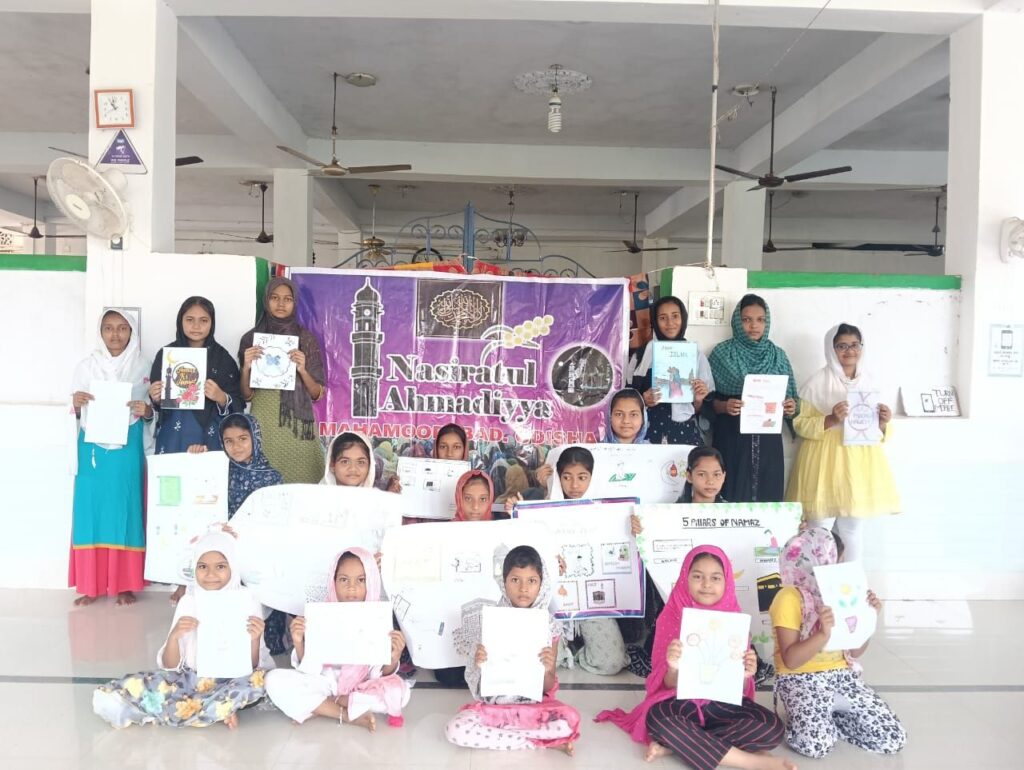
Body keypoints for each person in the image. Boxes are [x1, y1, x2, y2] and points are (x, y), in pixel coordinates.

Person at [595, 545, 791, 770]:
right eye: (698, 576)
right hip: (681, 702)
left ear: (726, 581)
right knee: (658, 719)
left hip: (721, 704)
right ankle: (750, 761)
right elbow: (665, 685)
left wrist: (746, 674)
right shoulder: (671, 616)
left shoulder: (733, 619)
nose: (706, 584)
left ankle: (675, 746)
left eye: (715, 578)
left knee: (772, 728)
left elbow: (738, 689)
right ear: (685, 578)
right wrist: (672, 667)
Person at [92, 530, 271, 728]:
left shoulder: (247, 601)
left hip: (234, 680)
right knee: (138, 686)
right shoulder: (189, 601)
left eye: (220, 566)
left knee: (257, 683)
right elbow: (170, 666)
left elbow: (253, 664)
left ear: (233, 567)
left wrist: (255, 639)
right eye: (202, 566)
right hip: (192, 680)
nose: (210, 574)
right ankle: (218, 709)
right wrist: (174, 637)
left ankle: (211, 707)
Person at [770, 528, 905, 758]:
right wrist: (822, 634)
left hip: (841, 676)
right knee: (816, 746)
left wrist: (868, 618)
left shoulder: (843, 593)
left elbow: (855, 651)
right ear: (815, 560)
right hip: (800, 679)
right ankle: (817, 716)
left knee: (892, 738)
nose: (838, 569)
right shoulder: (789, 597)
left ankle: (830, 715)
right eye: (834, 561)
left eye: (839, 562)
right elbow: (791, 661)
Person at [445, 545, 580, 753]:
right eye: (515, 580)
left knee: (569, 720)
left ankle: (508, 735)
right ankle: (534, 741)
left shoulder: (548, 626)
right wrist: (479, 662)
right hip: (494, 709)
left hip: (532, 709)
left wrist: (547, 668)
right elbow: (479, 686)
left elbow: (547, 687)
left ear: (541, 583)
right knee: (455, 730)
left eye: (532, 581)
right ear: (504, 582)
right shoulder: (490, 621)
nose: (523, 588)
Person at [785, 324, 899, 563]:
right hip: (823, 461)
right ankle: (816, 583)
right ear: (831, 349)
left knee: (852, 529)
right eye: (842, 346)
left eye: (854, 345)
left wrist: (884, 423)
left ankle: (850, 583)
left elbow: (882, 432)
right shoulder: (817, 383)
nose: (849, 351)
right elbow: (800, 424)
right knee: (819, 528)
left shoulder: (871, 382)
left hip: (859, 463)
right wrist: (831, 419)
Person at [264, 548, 411, 730]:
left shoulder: (377, 617)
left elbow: (379, 673)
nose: (351, 588)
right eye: (343, 580)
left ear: (371, 582)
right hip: (324, 683)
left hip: (362, 686)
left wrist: (394, 657)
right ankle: (346, 714)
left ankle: (324, 705)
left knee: (401, 693)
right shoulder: (320, 614)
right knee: (273, 680)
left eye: (361, 580)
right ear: (333, 582)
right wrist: (298, 641)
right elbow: (310, 670)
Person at [69, 308, 151, 607]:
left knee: (125, 508)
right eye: (108, 328)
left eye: (122, 328)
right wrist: (76, 404)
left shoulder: (143, 366)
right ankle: (90, 585)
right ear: (100, 332)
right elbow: (72, 412)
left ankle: (125, 584)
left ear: (132, 332)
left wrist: (147, 410)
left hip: (127, 446)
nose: (115, 334)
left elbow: (154, 408)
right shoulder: (86, 367)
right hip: (92, 449)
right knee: (91, 510)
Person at [190, 414, 288, 655]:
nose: (236, 446)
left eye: (243, 439)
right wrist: (196, 459)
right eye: (229, 441)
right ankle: (226, 649)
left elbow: (279, 521)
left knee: (262, 600)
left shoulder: (272, 477)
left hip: (260, 553)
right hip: (227, 552)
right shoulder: (217, 472)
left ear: (255, 438)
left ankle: (265, 649)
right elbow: (199, 493)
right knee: (229, 600)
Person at [707, 295, 798, 503]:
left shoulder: (778, 356)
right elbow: (707, 402)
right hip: (732, 439)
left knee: (767, 497)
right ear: (737, 322)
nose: (754, 326)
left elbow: (792, 399)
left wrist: (790, 407)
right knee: (730, 495)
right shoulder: (722, 354)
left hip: (768, 443)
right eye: (747, 320)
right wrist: (724, 406)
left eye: (760, 320)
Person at [238, 277, 326, 484]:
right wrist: (246, 367)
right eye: (275, 297)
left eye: (288, 299)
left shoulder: (306, 339)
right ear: (266, 300)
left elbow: (317, 394)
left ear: (295, 303)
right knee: (264, 483)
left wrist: (302, 370)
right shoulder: (251, 340)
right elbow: (246, 395)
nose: (281, 303)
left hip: (298, 425)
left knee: (302, 484)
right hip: (264, 421)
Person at [148, 296, 242, 455]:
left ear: (212, 323)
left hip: (211, 436)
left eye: (203, 320)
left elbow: (238, 404)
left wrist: (221, 397)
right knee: (173, 471)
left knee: (206, 471)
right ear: (180, 321)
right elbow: (157, 406)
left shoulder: (223, 359)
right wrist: (155, 397)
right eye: (190, 320)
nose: (196, 326)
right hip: (174, 436)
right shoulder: (166, 355)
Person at [434, 470, 498, 687]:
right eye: (468, 499)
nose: (475, 507)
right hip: (455, 609)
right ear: (458, 498)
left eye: (483, 499)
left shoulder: (502, 532)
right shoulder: (444, 534)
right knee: (448, 676)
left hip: (488, 611)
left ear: (491, 500)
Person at [630, 297, 714, 446]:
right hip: (647, 433)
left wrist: (699, 400)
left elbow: (705, 408)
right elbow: (627, 396)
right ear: (655, 321)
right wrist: (643, 400)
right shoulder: (642, 356)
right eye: (663, 318)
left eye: (675, 316)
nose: (670, 323)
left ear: (683, 318)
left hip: (685, 433)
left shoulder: (695, 356)